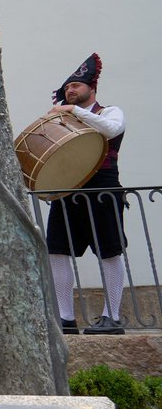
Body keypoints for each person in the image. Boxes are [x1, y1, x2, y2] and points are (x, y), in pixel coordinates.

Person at [44, 53, 128, 335]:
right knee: (56, 250)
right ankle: (65, 319)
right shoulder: (61, 120)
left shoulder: (110, 112)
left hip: (101, 190)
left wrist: (73, 112)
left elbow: (112, 130)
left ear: (92, 88)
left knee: (109, 251)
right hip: (67, 190)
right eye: (68, 86)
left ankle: (112, 317)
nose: (71, 90)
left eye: (77, 85)